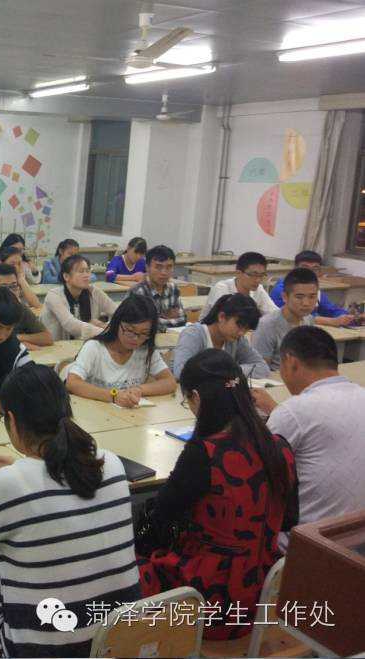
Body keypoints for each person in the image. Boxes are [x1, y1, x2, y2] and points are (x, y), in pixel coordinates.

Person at [0, 364, 140, 658]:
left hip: (43, 650)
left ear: (12, 421)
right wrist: (20, 471)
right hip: (118, 641)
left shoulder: (12, 483)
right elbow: (57, 493)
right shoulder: (110, 463)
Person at [138, 349, 297, 641]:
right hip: (266, 592)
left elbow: (163, 514)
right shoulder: (278, 446)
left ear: (197, 397)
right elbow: (289, 519)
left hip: (209, 600)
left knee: (129, 565)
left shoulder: (204, 454)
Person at [251, 326, 365, 550]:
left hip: (308, 547)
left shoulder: (294, 411)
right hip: (357, 540)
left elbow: (254, 472)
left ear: (290, 361)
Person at [62, 295, 175, 406]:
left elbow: (169, 382)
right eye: (129, 330)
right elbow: (72, 383)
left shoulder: (145, 350)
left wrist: (139, 389)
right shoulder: (94, 348)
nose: (135, 338)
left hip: (128, 415)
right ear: (117, 323)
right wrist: (114, 396)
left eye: (144, 333)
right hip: (94, 412)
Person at [173, 294, 269, 380]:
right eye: (239, 326)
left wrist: (230, 370)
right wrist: (224, 372)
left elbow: (262, 368)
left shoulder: (237, 340)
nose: (241, 333)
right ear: (221, 317)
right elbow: (181, 372)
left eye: (246, 329)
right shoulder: (193, 335)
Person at [269, 250, 362, 326]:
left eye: (315, 268)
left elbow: (330, 309)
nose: (310, 272)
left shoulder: (315, 289)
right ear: (295, 268)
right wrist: (332, 321)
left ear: (319, 271)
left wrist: (353, 318)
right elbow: (294, 316)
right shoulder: (282, 289)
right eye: (305, 267)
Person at [251, 268, 318, 371]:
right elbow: (258, 370)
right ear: (285, 297)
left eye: (312, 297)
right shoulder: (266, 325)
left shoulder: (308, 320)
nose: (306, 303)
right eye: (299, 297)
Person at [41, 254, 117, 340]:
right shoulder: (54, 295)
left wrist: (104, 325)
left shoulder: (93, 291)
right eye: (81, 271)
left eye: (88, 271)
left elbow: (118, 312)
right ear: (66, 276)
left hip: (84, 343)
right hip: (55, 346)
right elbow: (70, 324)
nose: (86, 275)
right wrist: (105, 332)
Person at [199, 251, 278, 319]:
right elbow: (225, 322)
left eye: (261, 275)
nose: (258, 280)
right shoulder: (221, 289)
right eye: (253, 274)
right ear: (238, 273)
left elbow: (273, 313)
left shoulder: (258, 289)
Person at [127, 245, 184, 329]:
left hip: (169, 336)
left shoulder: (173, 288)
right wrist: (166, 318)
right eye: (158, 267)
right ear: (147, 268)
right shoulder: (138, 291)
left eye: (169, 267)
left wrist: (157, 320)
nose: (164, 272)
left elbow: (182, 319)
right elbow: (142, 325)